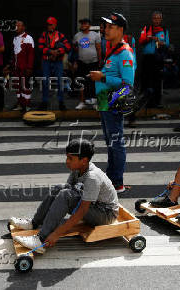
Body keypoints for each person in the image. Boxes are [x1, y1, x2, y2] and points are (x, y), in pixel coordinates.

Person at [9, 139, 119, 252]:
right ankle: (34, 223)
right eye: (67, 157)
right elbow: (66, 191)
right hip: (94, 206)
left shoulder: (92, 177)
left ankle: (41, 240)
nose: (67, 161)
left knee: (65, 194)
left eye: (71, 158)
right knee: (59, 188)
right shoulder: (78, 169)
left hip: (106, 214)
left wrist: (56, 234)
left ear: (84, 160)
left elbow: (81, 210)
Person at [89, 12, 136, 193]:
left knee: (116, 142)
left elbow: (127, 84)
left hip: (113, 102)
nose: (106, 29)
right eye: (106, 26)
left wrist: (102, 76)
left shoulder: (125, 53)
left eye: (110, 27)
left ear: (120, 30)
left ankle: (117, 183)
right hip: (104, 101)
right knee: (110, 142)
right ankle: (111, 179)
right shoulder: (112, 48)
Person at [38, 16, 71, 111]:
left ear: (55, 25)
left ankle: (61, 102)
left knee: (60, 81)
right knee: (45, 81)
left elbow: (68, 47)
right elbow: (40, 48)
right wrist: (51, 52)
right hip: (46, 61)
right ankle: (44, 101)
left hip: (58, 61)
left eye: (51, 24)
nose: (49, 26)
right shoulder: (43, 35)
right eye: (48, 24)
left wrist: (58, 52)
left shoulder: (60, 35)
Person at [139, 11, 170, 108]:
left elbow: (167, 44)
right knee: (145, 80)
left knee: (157, 81)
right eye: (155, 18)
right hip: (147, 58)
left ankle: (156, 102)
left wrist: (160, 42)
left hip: (158, 58)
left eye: (158, 18)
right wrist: (149, 38)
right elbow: (140, 41)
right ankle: (144, 102)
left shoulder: (164, 30)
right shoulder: (146, 28)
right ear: (152, 19)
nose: (156, 20)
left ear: (161, 19)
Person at [5, 20, 35, 112]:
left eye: (19, 25)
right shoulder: (15, 38)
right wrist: (9, 66)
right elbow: (14, 54)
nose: (16, 27)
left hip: (25, 68)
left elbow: (31, 55)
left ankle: (27, 104)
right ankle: (20, 104)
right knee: (17, 86)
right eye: (16, 25)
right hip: (16, 68)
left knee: (25, 87)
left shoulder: (28, 38)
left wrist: (29, 67)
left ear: (23, 27)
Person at [73, 18, 101, 110]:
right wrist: (75, 62)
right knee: (81, 82)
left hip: (93, 62)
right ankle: (82, 102)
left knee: (93, 82)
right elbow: (75, 50)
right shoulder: (77, 36)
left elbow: (99, 49)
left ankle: (94, 103)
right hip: (82, 63)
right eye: (81, 23)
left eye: (85, 23)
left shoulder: (95, 35)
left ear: (89, 25)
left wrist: (100, 61)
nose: (82, 25)